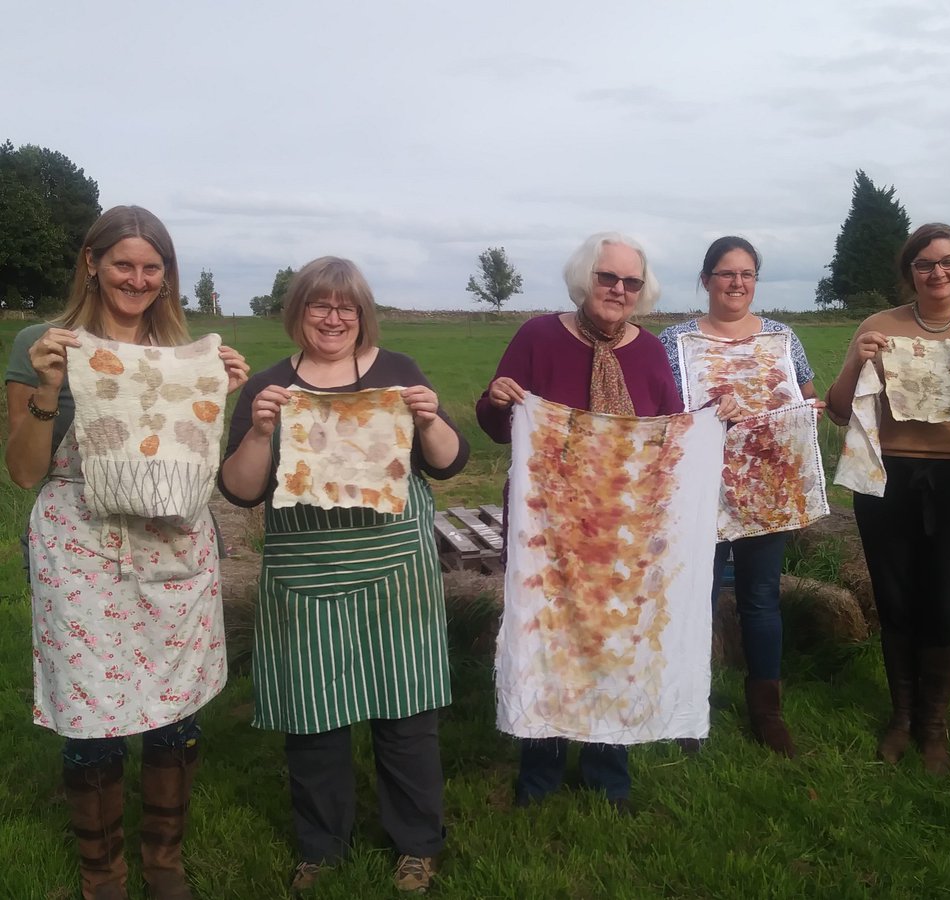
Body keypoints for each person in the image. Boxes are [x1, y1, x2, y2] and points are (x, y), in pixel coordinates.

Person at [4, 205, 249, 900]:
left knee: (175, 707)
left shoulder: (183, 355)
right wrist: (50, 388)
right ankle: (102, 872)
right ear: (92, 262)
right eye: (123, 264)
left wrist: (213, 394)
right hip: (78, 542)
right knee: (90, 711)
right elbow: (23, 472)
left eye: (151, 268)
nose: (137, 279)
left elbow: (207, 464)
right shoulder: (41, 345)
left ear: (166, 277)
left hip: (171, 539)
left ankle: (164, 862)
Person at [217, 257, 468, 893]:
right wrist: (260, 432)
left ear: (363, 314)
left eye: (346, 307)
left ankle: (417, 844)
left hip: (393, 571)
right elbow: (241, 491)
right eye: (319, 306)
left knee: (406, 711)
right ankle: (321, 849)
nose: (334, 318)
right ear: (297, 312)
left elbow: (447, 465)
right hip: (308, 571)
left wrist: (431, 418)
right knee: (313, 715)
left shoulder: (397, 373)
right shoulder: (271, 388)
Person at [476, 232, 681, 812]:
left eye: (630, 282)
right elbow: (499, 426)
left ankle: (606, 771)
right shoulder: (538, 336)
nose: (618, 289)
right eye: (607, 277)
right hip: (546, 524)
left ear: (642, 291)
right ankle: (538, 774)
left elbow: (668, 435)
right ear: (585, 279)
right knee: (544, 638)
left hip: (622, 526)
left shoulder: (649, 352)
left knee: (616, 638)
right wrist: (495, 401)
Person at [825, 222, 950, 775]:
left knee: (947, 601)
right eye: (924, 264)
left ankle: (934, 725)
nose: (938, 273)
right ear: (909, 272)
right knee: (896, 598)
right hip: (889, 476)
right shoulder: (879, 326)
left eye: (948, 261)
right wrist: (854, 361)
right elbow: (841, 409)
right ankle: (901, 718)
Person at [658, 235, 818, 757]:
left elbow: (805, 395)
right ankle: (687, 708)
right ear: (705, 280)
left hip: (767, 490)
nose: (737, 283)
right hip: (698, 489)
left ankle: (766, 712)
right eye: (726, 273)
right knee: (695, 599)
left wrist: (807, 413)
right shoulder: (674, 340)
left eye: (747, 274)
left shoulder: (781, 337)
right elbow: (659, 414)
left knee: (760, 598)